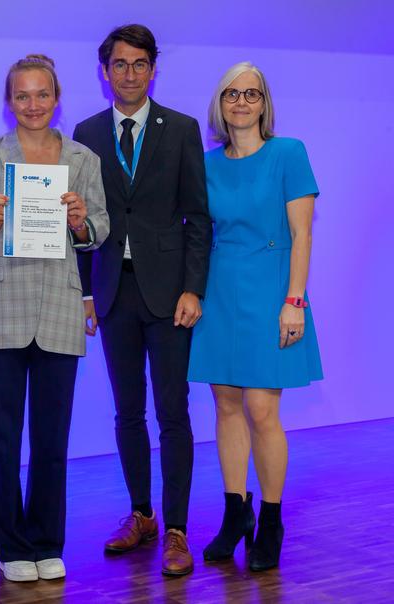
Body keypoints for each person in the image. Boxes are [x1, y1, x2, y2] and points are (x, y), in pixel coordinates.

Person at [0, 54, 109, 582]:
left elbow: (99, 229)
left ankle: (46, 539)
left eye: (42, 95)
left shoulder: (83, 158)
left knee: (52, 437)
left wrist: (82, 223)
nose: (33, 105)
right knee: (2, 437)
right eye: (22, 95)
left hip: (60, 309)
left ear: (56, 98)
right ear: (8, 101)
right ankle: (11, 543)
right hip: (0, 312)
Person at [73, 24, 212, 576]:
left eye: (139, 63)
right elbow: (75, 218)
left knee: (172, 412)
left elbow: (198, 217)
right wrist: (85, 290)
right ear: (104, 72)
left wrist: (193, 288)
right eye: (119, 64)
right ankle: (141, 514)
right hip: (112, 290)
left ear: (153, 69)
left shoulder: (180, 129)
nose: (128, 73)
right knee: (127, 412)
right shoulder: (85, 132)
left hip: (169, 291)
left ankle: (177, 530)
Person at [188, 62, 322, 571]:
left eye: (251, 94)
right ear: (219, 104)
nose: (241, 102)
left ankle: (270, 518)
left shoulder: (289, 153)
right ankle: (234, 511)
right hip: (219, 292)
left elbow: (303, 235)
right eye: (231, 94)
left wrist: (295, 300)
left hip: (272, 291)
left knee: (263, 412)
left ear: (264, 103)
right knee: (225, 405)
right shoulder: (206, 163)